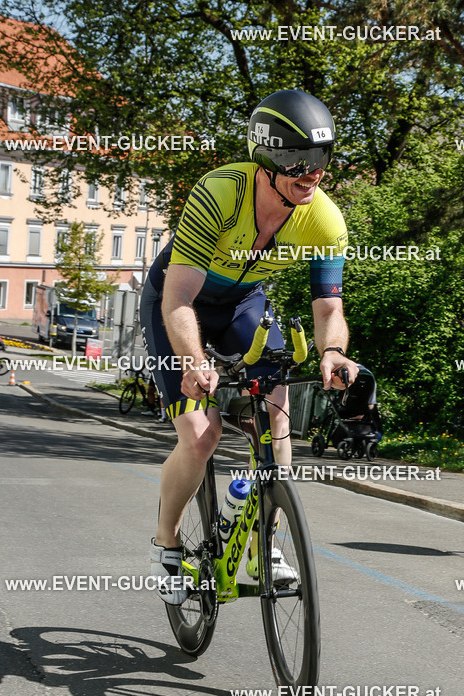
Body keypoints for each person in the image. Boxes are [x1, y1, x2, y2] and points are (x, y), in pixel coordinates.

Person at [141, 88, 359, 603]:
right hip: (177, 299)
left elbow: (329, 310)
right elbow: (178, 294)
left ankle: (266, 543)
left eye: (323, 159)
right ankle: (166, 545)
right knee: (200, 434)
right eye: (301, 162)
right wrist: (194, 362)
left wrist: (332, 352)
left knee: (277, 415)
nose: (314, 173)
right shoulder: (219, 193)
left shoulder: (324, 220)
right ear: (266, 159)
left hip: (243, 303)